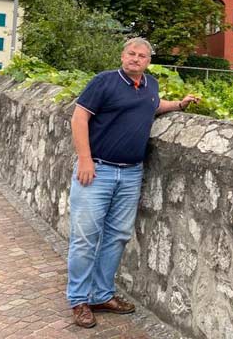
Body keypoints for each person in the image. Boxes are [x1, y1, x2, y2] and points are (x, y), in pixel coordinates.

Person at [66, 37, 198, 328]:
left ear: (149, 61)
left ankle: (101, 294)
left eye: (142, 56)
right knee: (85, 238)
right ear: (123, 56)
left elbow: (151, 105)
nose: (136, 59)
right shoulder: (104, 82)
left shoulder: (150, 85)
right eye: (131, 54)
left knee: (117, 236)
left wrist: (178, 104)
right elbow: (79, 118)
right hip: (97, 170)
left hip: (130, 174)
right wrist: (85, 159)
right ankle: (78, 300)